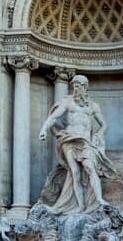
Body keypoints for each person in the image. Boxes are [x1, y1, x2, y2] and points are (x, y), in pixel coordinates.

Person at [39, 74, 112, 213]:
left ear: (85, 87)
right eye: (74, 86)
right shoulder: (68, 102)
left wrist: (99, 134)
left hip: (86, 142)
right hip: (69, 140)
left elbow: (103, 125)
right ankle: (80, 206)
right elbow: (53, 117)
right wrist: (44, 129)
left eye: (78, 86)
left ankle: (99, 200)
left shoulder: (93, 106)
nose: (75, 89)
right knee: (75, 173)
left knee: (90, 168)